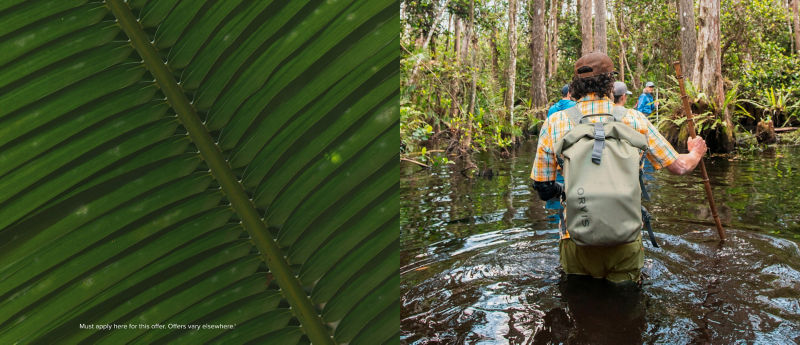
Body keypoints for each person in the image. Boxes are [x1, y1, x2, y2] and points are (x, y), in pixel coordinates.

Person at [530, 52, 707, 284]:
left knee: (576, 305)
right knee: (627, 309)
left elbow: (542, 187)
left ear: (575, 85)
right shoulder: (634, 120)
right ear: (610, 83)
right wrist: (696, 151)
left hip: (575, 238)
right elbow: (680, 167)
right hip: (625, 241)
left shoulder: (556, 121)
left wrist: (564, 192)